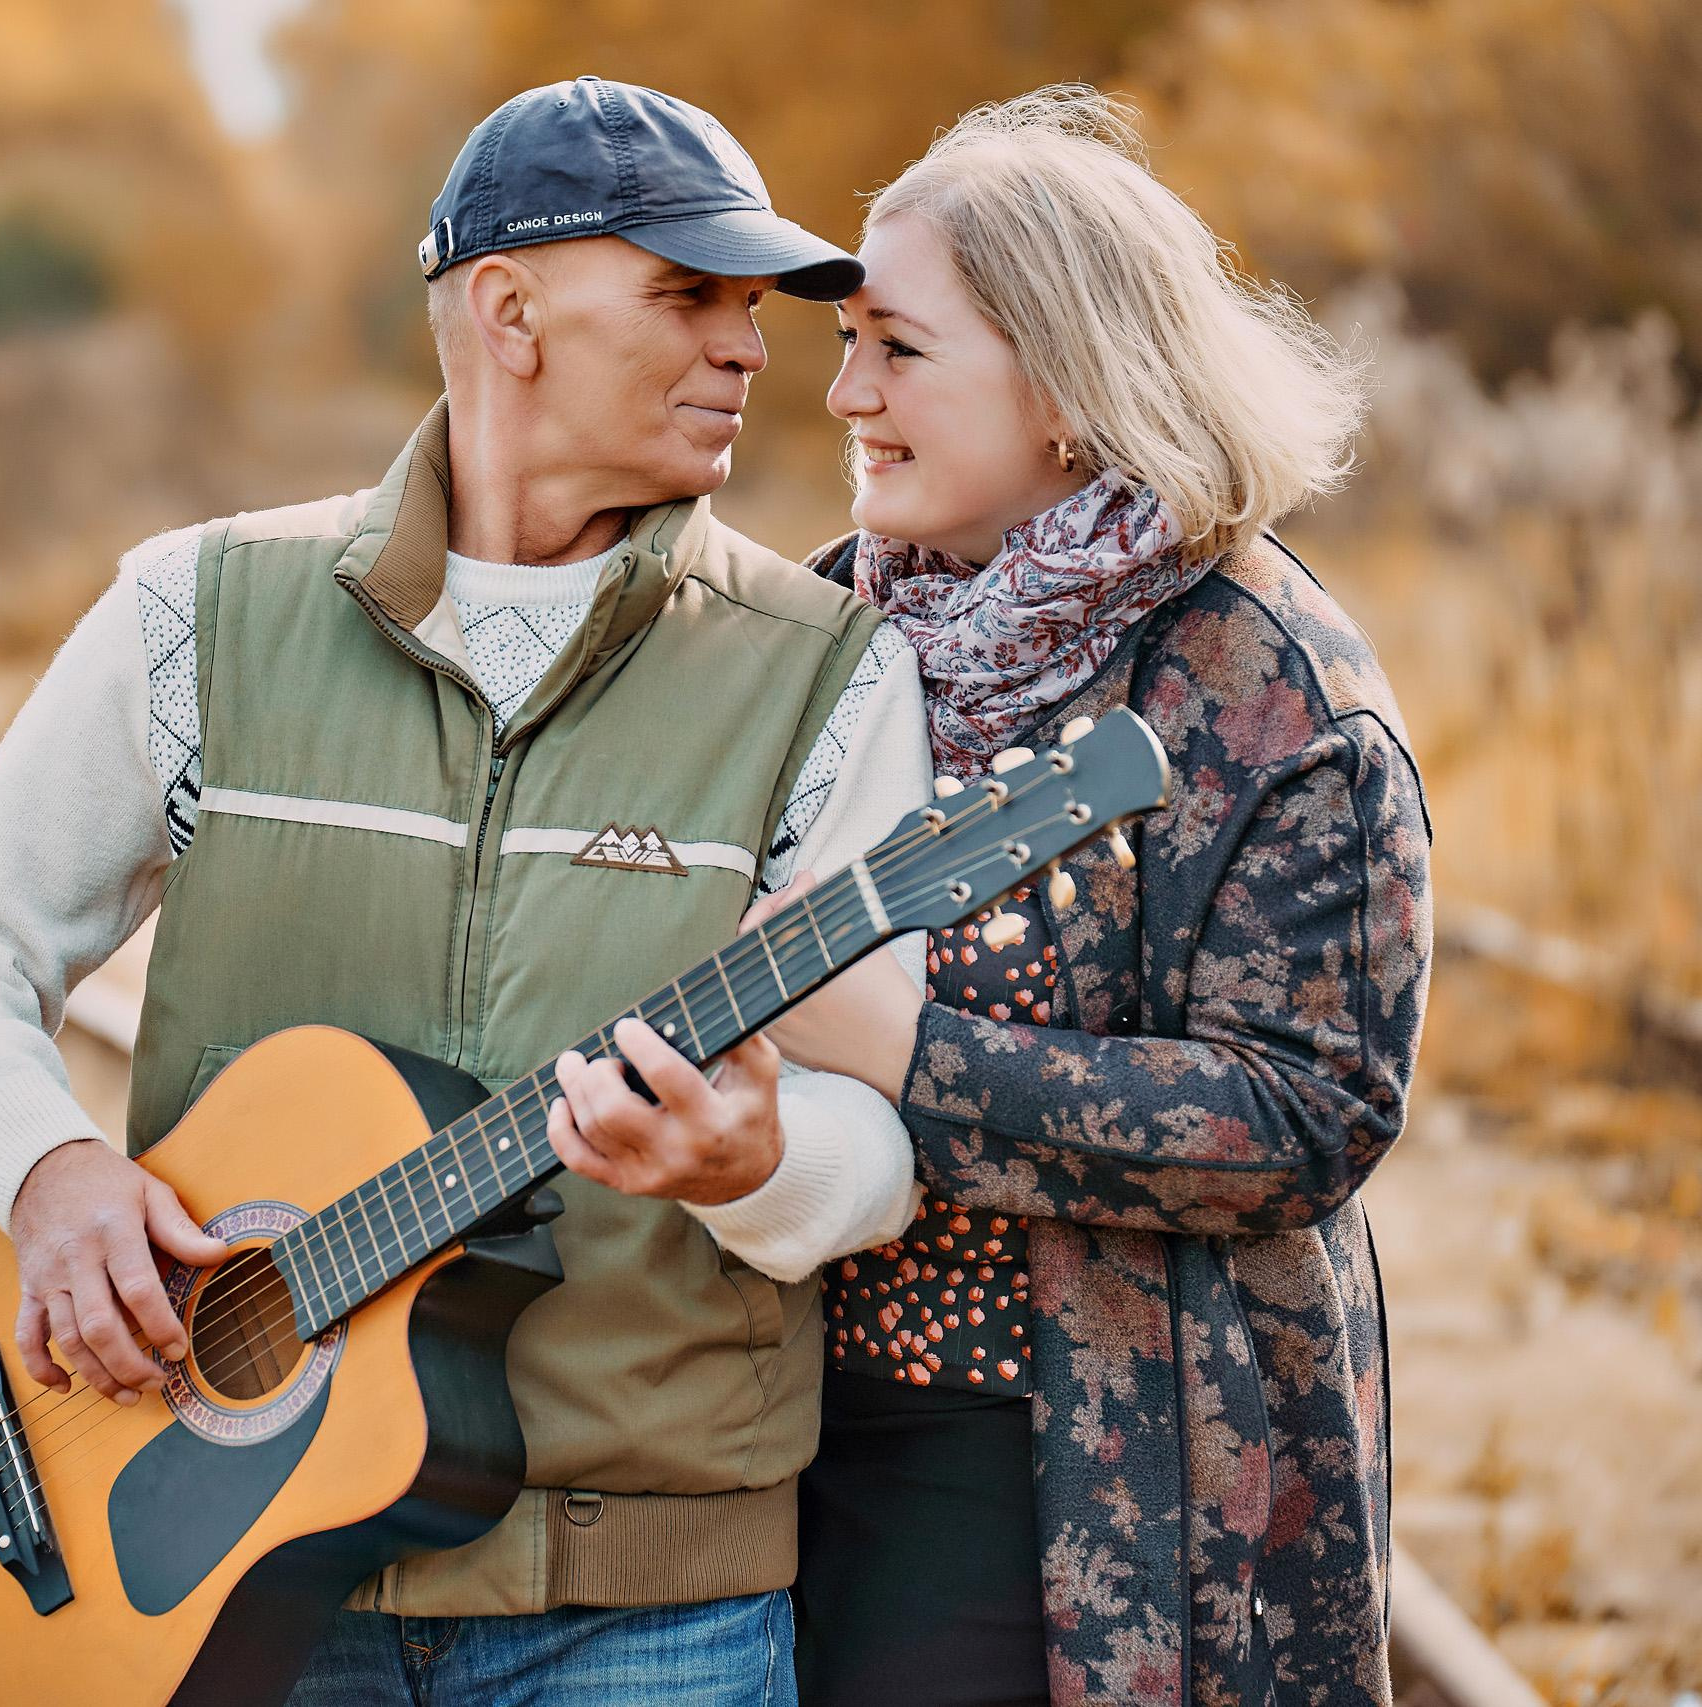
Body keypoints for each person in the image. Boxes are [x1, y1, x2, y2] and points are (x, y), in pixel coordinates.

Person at [0, 76, 939, 1706]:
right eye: (686, 295)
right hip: (227, 1587)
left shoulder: (825, 678)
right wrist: (43, 1174)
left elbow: (882, 1147)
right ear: (510, 312)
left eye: (753, 307)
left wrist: (759, 1166)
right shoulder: (199, 612)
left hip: (642, 1614)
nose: (748, 347)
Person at [556, 88, 1434, 1706]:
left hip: (1087, 1458)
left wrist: (910, 1054)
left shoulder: (1265, 690)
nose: (846, 393)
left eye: (899, 348)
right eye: (848, 346)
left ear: (1070, 387)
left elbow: (1311, 1114)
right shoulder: (831, 622)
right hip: (776, 1420)